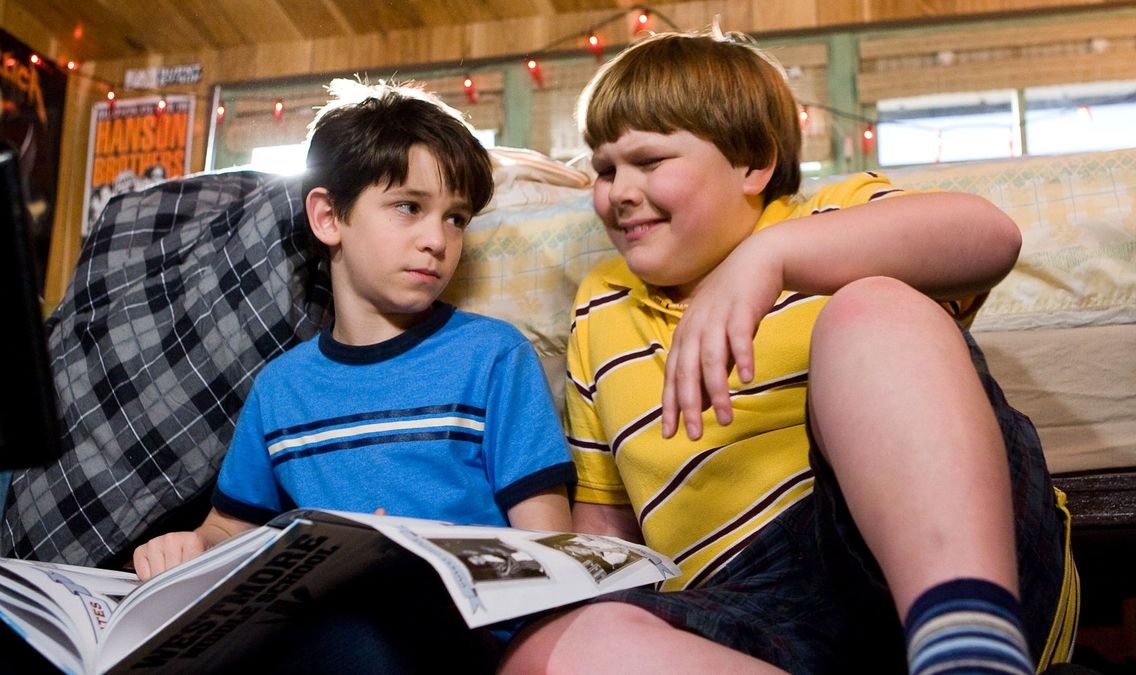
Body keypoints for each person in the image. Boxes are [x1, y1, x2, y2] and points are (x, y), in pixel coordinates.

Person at [500, 29, 1078, 675]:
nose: (618, 191)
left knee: (872, 307)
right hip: (743, 600)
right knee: (547, 649)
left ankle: (969, 646)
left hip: (933, 544)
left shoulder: (829, 219)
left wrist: (770, 256)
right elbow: (607, 521)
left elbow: (990, 238)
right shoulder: (600, 303)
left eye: (649, 161)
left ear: (753, 164)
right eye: (604, 169)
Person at [132, 78, 575, 672]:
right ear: (328, 217)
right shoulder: (282, 387)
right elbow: (228, 526)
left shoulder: (493, 355)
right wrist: (190, 546)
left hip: (455, 636)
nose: (436, 240)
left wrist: (428, 554)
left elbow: (550, 547)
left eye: (456, 219)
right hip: (317, 631)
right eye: (409, 207)